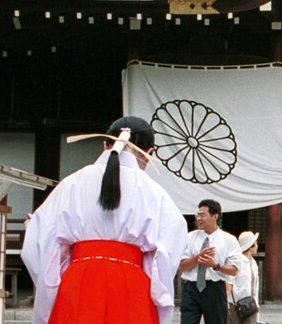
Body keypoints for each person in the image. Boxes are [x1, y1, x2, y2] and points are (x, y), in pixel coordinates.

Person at [22, 116, 187, 324]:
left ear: (104, 145)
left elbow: (39, 244)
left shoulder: (72, 183)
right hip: (131, 286)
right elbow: (166, 256)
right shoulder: (156, 193)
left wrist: (55, 283)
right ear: (149, 153)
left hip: (79, 282)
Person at [178, 199, 243, 324]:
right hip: (191, 287)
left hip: (214, 288)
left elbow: (234, 270)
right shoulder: (189, 237)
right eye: (197, 215)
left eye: (202, 215)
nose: (199, 219)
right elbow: (181, 267)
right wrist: (198, 258)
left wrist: (215, 265)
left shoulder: (228, 240)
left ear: (215, 216)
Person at [228, 231, 260, 324]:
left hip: (250, 304)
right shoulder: (237, 261)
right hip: (235, 304)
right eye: (255, 243)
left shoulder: (253, 263)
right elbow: (230, 281)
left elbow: (255, 286)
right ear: (251, 246)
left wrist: (256, 304)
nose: (257, 245)